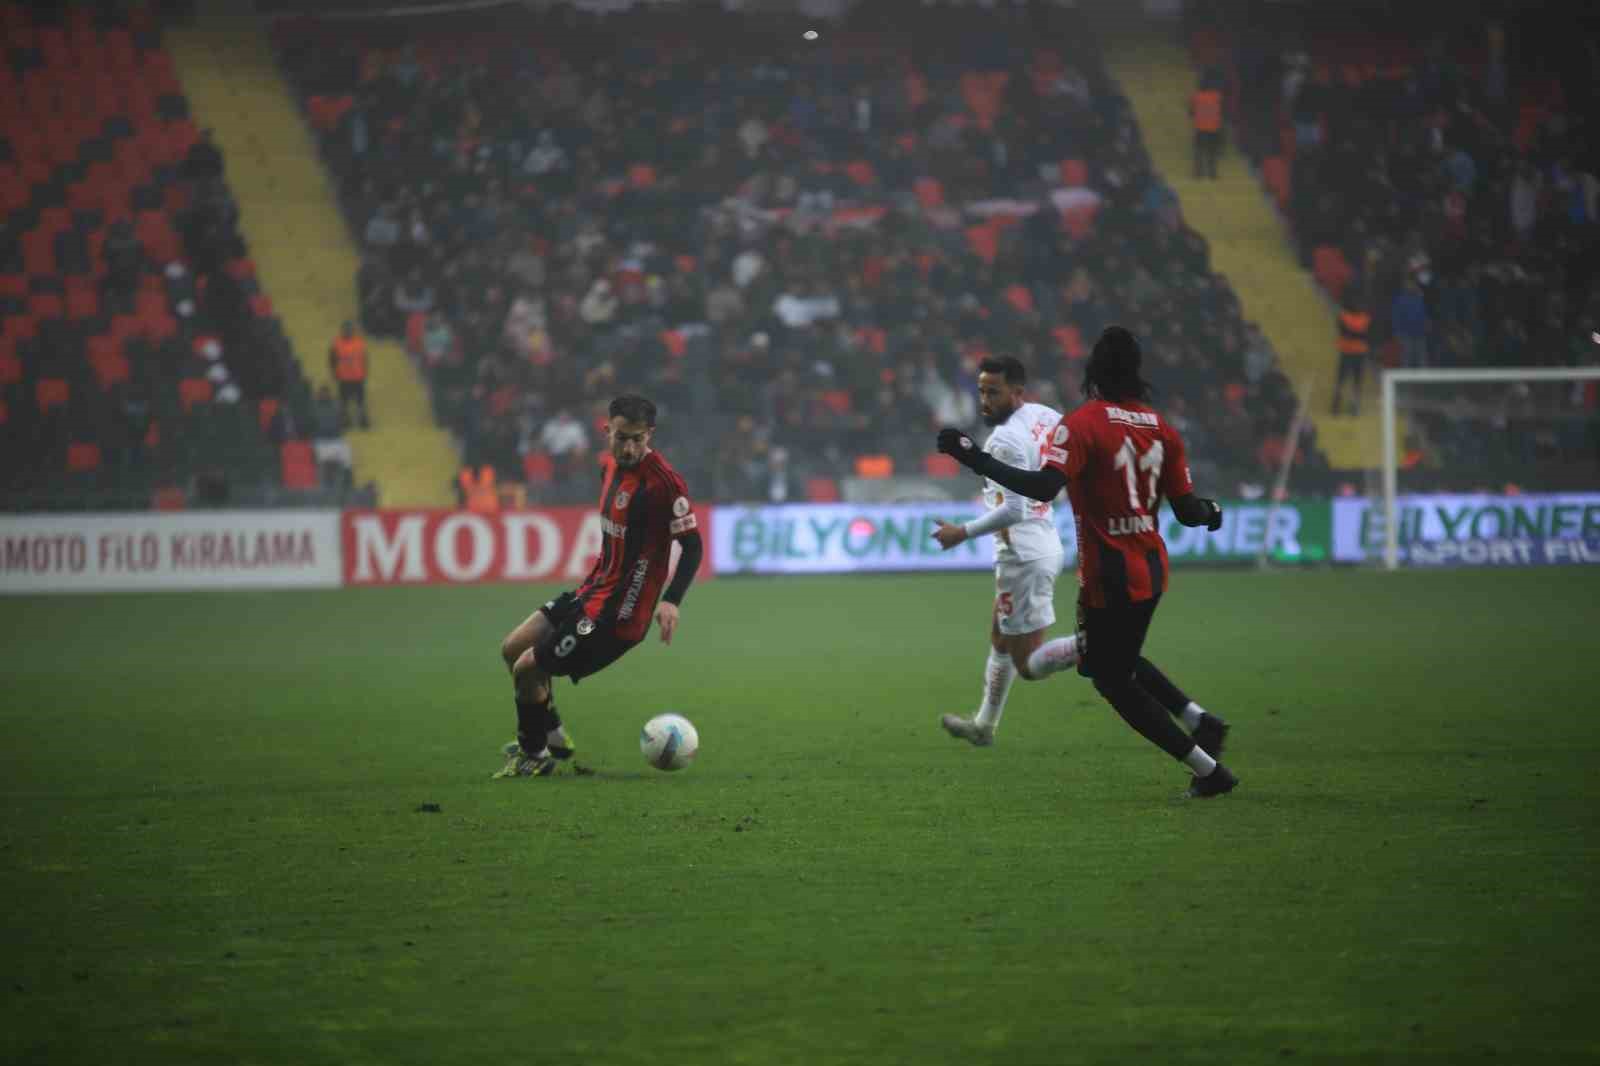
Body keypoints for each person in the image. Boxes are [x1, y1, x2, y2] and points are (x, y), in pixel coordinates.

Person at [937, 327, 1238, 798]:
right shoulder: (1161, 427)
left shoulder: (1082, 424)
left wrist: (974, 457)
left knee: (1111, 678)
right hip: (1153, 570)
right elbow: (1187, 509)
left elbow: (1041, 489)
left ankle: (1207, 770)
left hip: (1109, 576)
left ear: (1093, 372)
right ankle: (1201, 721)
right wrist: (1214, 512)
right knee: (1118, 658)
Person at [494, 395, 704, 778]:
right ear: (606, 430)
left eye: (637, 439)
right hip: (590, 594)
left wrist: (672, 601)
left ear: (649, 435)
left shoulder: (664, 485)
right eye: (621, 437)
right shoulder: (607, 467)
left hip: (618, 616)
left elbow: (693, 545)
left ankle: (534, 755)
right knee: (512, 649)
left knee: (528, 668)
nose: (628, 447)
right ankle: (553, 737)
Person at [931, 355, 1080, 747]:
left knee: (1029, 665)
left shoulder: (1003, 440)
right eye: (981, 391)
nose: (984, 400)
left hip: (1023, 556)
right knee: (999, 637)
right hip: (1043, 541)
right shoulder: (1046, 416)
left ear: (1017, 392)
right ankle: (984, 725)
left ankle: (1092, 647)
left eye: (993, 392)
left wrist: (961, 533)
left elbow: (1013, 510)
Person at [1331, 295, 1370, 416]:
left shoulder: (1343, 317)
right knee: (1356, 381)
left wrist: (1351, 333)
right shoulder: (1365, 318)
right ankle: (1354, 406)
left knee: (1341, 379)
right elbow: (1365, 334)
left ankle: (1336, 404)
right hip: (1359, 352)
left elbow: (1343, 331)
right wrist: (1358, 334)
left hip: (1346, 351)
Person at [328, 321, 371, 429]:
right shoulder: (336, 343)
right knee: (344, 401)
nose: (348, 331)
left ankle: (362, 420)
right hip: (344, 377)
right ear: (342, 330)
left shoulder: (359, 342)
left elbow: (364, 358)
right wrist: (334, 373)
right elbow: (332, 359)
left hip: (358, 376)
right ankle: (345, 420)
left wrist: (365, 371)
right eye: (346, 329)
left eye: (350, 329)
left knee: (360, 400)